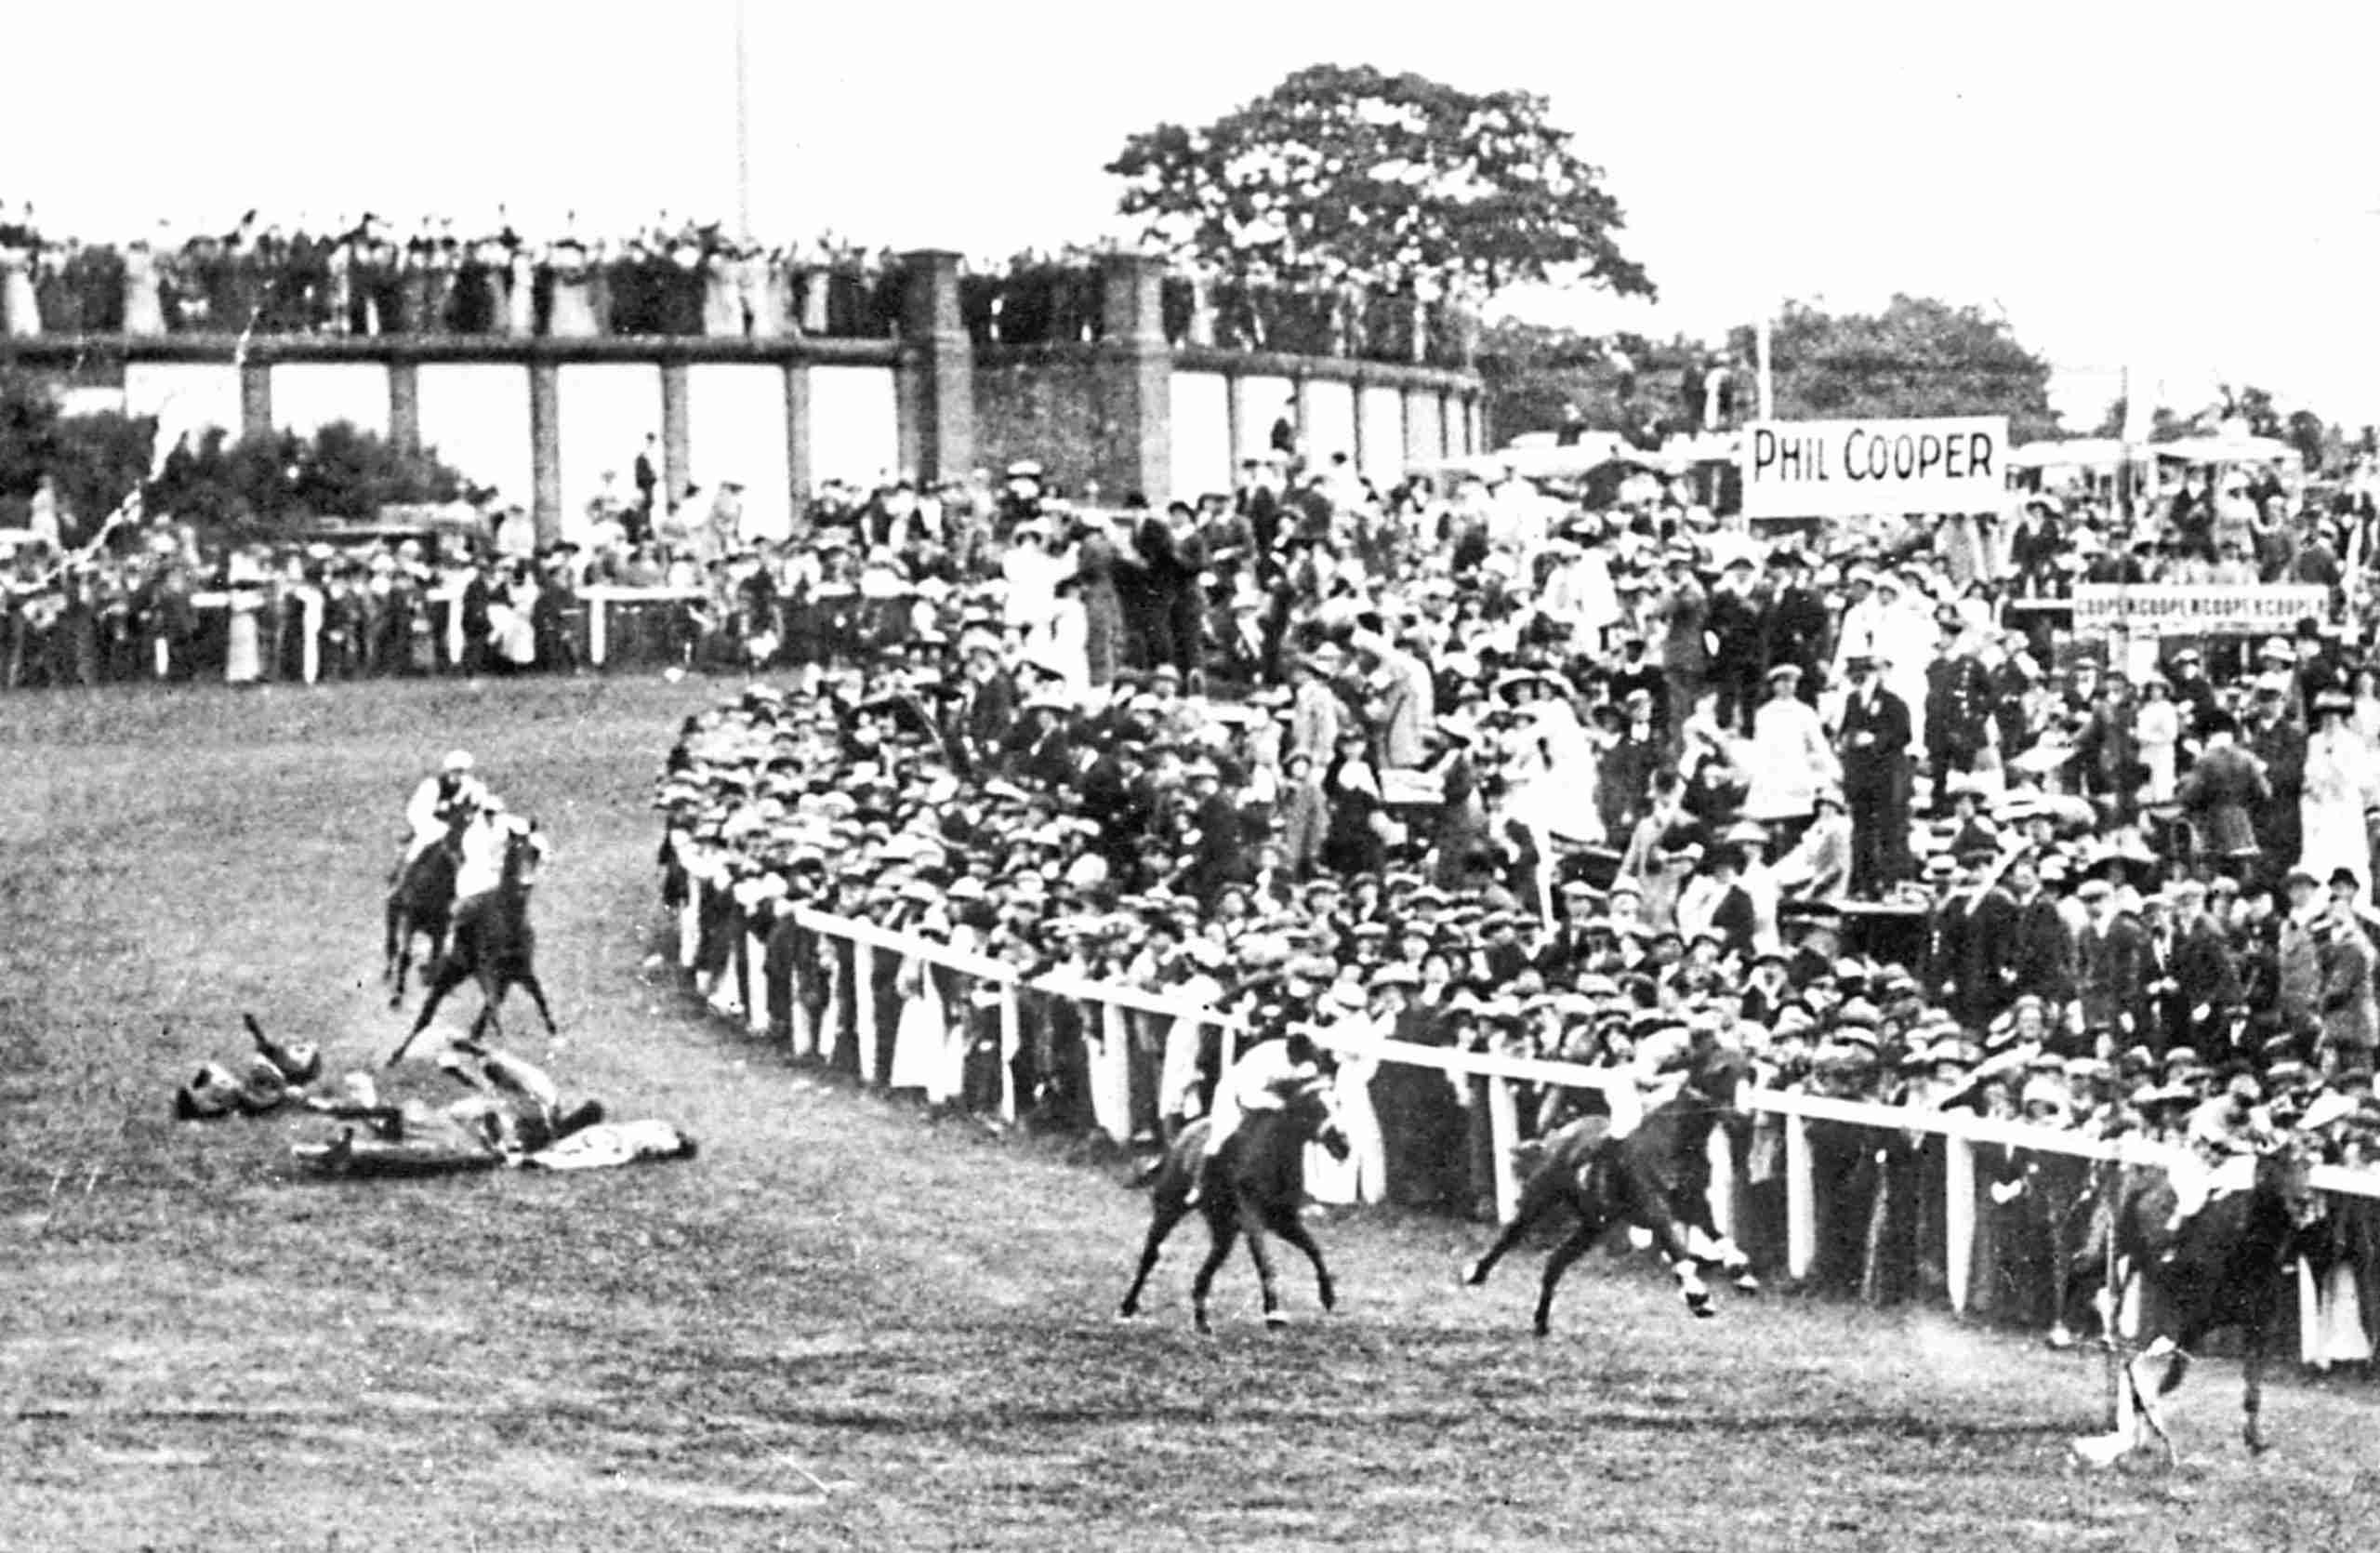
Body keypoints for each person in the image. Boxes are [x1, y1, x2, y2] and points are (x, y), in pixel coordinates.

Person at [1185, 1027, 1326, 1207]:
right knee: (1220, 1136)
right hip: (1235, 1093)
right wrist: (1279, 1104)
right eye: (1295, 1064)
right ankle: (1199, 1185)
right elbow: (1250, 1097)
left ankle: (1301, 1193)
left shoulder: (1307, 1053)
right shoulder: (1264, 1059)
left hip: (1275, 1093)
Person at [399, 750, 489, 875]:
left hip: (458, 825)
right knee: (422, 843)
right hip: (433, 824)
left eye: (460, 771)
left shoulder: (470, 786)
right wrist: (438, 817)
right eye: (454, 771)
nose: (457, 775)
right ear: (448, 770)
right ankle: (404, 873)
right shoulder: (432, 786)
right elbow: (419, 811)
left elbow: (480, 803)